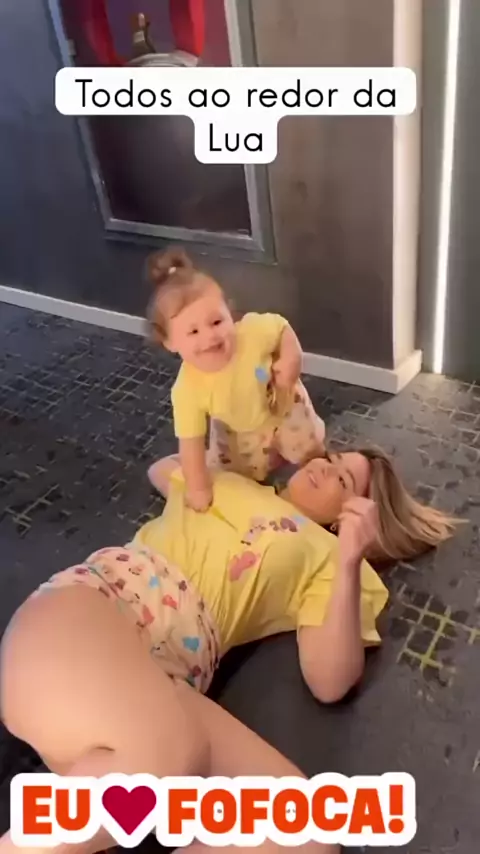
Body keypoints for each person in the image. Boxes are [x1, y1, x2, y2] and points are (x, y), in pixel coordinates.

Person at [0, 451, 391, 854]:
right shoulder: (232, 482)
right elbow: (161, 470)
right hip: (101, 604)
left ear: (348, 517)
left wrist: (349, 560)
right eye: (329, 457)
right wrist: (242, 449)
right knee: (168, 754)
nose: (324, 466)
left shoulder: (330, 555)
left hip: (162, 690)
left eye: (342, 479)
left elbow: (329, 682)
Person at [146, 247, 326, 511]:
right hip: (238, 429)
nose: (209, 337)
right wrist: (198, 490)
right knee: (236, 478)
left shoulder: (252, 332)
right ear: (170, 342)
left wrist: (292, 359)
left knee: (311, 454)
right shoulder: (187, 390)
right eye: (193, 331)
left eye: (216, 322)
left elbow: (281, 327)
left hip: (283, 404)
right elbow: (191, 443)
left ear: (230, 315)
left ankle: (323, 476)